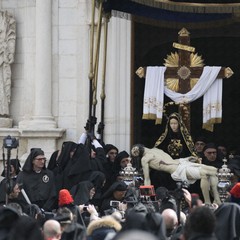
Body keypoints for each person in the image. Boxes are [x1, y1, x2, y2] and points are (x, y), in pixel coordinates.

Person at [130, 144, 221, 205]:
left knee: (213, 170)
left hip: (181, 163)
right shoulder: (145, 159)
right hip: (177, 171)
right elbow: (147, 179)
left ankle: (217, 199)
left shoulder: (156, 149)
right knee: (204, 174)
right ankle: (208, 203)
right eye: (134, 152)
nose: (134, 151)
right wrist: (147, 198)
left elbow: (171, 161)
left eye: (134, 150)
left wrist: (185, 159)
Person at [0, 10, 16, 117]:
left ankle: (2, 110)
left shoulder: (6, 18)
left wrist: (10, 51)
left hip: (2, 57)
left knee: (2, 83)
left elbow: (11, 36)